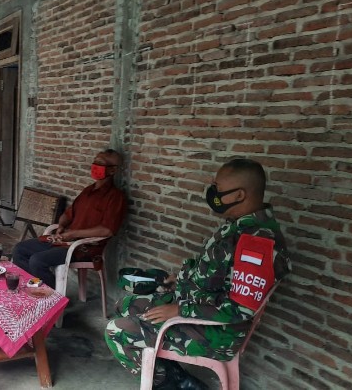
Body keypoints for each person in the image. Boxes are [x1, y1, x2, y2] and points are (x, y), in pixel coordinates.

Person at [105, 158, 292, 390]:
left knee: (116, 331)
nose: (212, 192)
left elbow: (240, 309)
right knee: (125, 304)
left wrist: (179, 310)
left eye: (218, 188)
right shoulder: (238, 225)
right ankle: (174, 374)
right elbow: (216, 272)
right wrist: (181, 278)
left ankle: (166, 383)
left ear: (239, 195)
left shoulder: (257, 242)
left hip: (215, 332)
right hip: (195, 306)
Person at [11, 148, 128, 288]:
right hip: (64, 241)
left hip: (83, 248)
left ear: (112, 170)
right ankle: (38, 288)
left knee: (37, 260)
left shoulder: (116, 197)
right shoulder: (88, 191)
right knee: (19, 250)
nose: (95, 165)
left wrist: (72, 234)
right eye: (95, 161)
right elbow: (68, 214)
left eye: (100, 163)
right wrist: (61, 226)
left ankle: (54, 296)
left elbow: (107, 230)